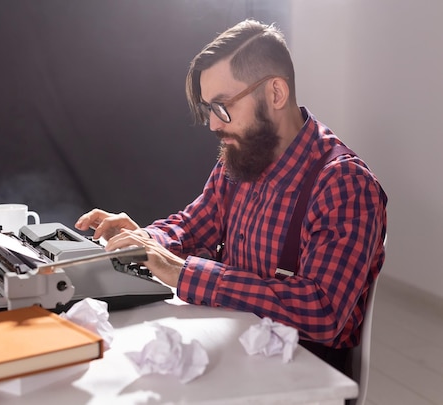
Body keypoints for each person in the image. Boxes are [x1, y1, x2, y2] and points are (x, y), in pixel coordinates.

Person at [75, 19, 387, 375]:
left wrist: (182, 272)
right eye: (210, 109)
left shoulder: (344, 184)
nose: (213, 124)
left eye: (223, 107)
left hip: (303, 376)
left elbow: (322, 311)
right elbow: (194, 224)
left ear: (275, 94)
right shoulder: (244, 158)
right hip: (239, 351)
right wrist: (144, 241)